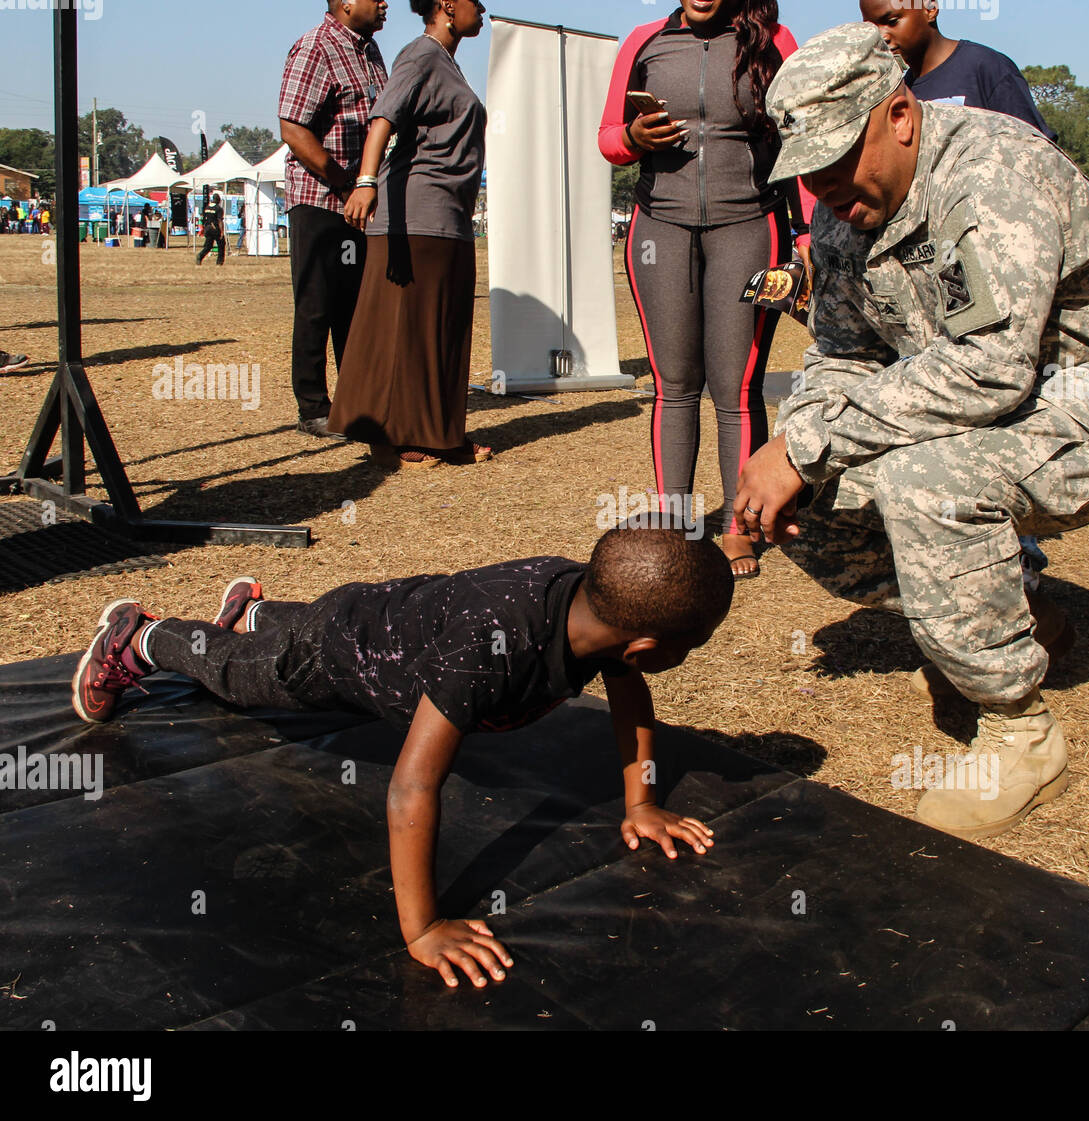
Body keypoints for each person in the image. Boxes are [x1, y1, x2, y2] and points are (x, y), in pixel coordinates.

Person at [734, 24, 1089, 839]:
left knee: (925, 482)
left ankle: (1020, 730)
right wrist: (797, 442)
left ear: (901, 115)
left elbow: (992, 366)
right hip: (988, 405)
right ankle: (1013, 607)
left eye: (842, 156)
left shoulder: (992, 174)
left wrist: (806, 444)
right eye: (810, 171)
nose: (827, 186)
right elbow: (845, 354)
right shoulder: (846, 217)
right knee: (815, 490)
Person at [70, 526, 732, 986]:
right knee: (236, 674)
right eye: (693, 645)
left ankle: (253, 610)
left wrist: (641, 800)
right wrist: (424, 928)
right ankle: (141, 638)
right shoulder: (492, 649)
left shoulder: (591, 607)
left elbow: (627, 689)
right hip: (335, 658)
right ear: (647, 645)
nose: (686, 655)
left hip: (385, 616)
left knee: (318, 625)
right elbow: (412, 787)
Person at [861, 0, 1063, 675]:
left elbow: (1035, 174)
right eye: (870, 22)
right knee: (934, 431)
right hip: (921, 308)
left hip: (990, 299)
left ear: (929, 6)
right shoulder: (884, 87)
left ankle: (1021, 588)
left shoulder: (986, 72)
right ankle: (957, 595)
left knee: (991, 427)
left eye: (890, 17)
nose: (881, 33)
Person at [598, 0, 817, 578]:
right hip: (659, 227)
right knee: (674, 383)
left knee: (736, 386)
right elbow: (607, 140)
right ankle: (673, 525)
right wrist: (634, 135)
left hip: (750, 226)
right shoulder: (644, 41)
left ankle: (737, 527)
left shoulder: (775, 40)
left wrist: (808, 230)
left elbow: (805, 142)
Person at [331, 0, 492, 468]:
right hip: (416, 216)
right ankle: (396, 438)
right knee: (409, 331)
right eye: (474, 2)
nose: (482, 9)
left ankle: (435, 432)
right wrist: (364, 181)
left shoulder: (446, 62)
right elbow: (385, 117)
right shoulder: (420, 54)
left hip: (448, 218)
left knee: (439, 328)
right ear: (446, 6)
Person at [279, 0, 390, 439]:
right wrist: (346, 183)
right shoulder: (315, 47)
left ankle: (356, 400)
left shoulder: (372, 53)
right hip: (321, 200)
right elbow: (293, 129)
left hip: (361, 204)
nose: (384, 4)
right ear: (345, 4)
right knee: (316, 305)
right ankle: (313, 407)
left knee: (356, 306)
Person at [859, 0, 1055, 140]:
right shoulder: (900, 93)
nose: (882, 36)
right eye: (872, 28)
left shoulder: (985, 67)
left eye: (892, 22)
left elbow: (1037, 152)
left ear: (930, 9)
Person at [195, 191, 226, 265]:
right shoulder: (218, 208)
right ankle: (219, 262)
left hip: (208, 228)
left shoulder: (207, 207)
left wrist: (203, 228)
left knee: (208, 246)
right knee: (221, 244)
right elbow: (220, 220)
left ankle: (200, 256)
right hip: (215, 228)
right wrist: (221, 232)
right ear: (218, 200)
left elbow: (203, 218)